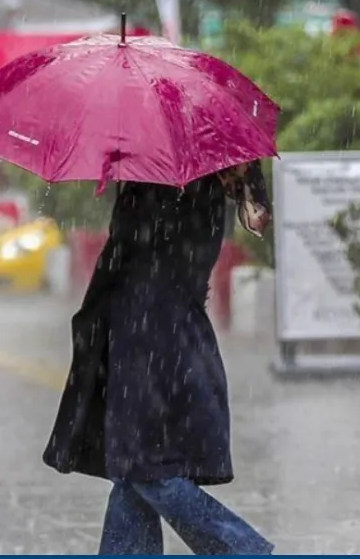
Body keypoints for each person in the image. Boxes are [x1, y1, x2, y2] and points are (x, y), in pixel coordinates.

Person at [42, 161, 274, 555]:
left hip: (145, 330)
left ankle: (243, 550)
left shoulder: (156, 170)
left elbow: (131, 251)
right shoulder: (212, 169)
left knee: (146, 465)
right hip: (176, 327)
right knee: (133, 464)